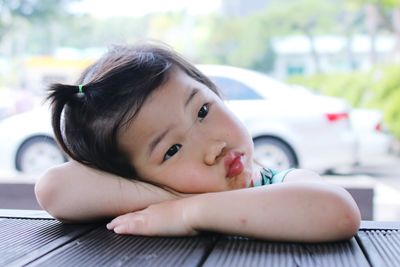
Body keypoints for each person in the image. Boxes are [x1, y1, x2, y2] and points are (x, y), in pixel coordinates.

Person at [35, 41, 361, 242]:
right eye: (172, 149)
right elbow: (53, 188)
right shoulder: (146, 205)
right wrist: (170, 199)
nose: (212, 145)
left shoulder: (278, 183)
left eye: (203, 110)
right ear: (133, 178)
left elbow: (339, 212)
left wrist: (184, 213)